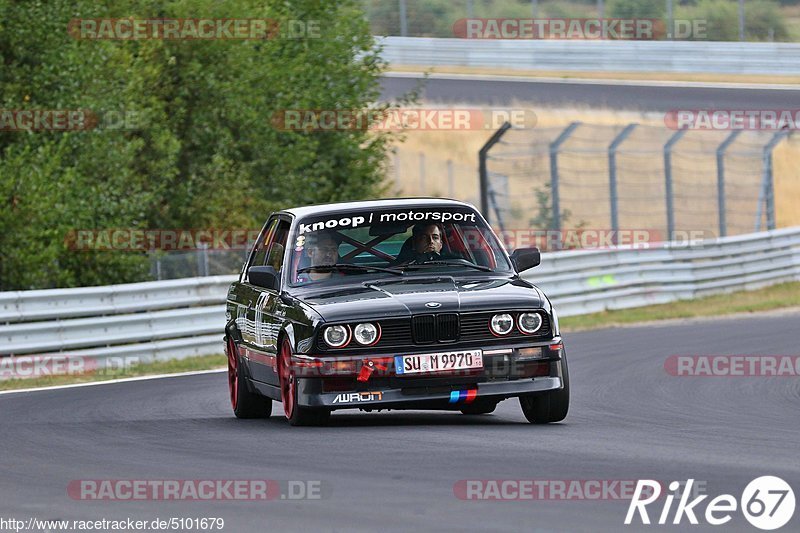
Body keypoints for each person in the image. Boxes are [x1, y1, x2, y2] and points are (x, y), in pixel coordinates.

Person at [394, 222, 459, 264]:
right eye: (424, 237)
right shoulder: (402, 268)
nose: (431, 241)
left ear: (441, 244)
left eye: (435, 237)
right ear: (414, 244)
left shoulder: (456, 263)